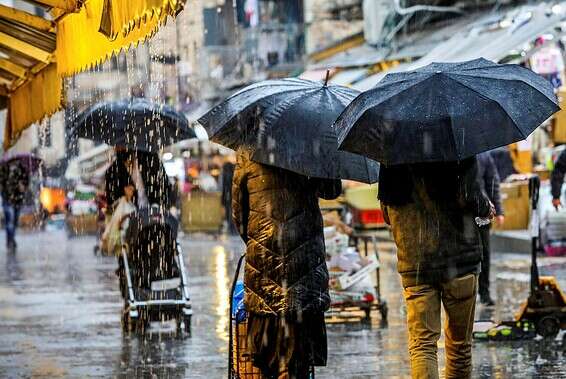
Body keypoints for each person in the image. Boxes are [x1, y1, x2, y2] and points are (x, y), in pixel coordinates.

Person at [379, 158, 494, 379]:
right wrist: (486, 207)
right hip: (460, 260)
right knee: (460, 347)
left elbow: (387, 213)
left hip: (417, 264)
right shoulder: (458, 147)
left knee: (423, 346)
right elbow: (472, 199)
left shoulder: (392, 156)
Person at [232, 147, 341, 379]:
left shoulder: (247, 151)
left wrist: (260, 243)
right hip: (304, 267)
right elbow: (331, 190)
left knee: (267, 359)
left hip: (264, 268)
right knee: (298, 361)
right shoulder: (310, 146)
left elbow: (238, 214)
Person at [476, 152, 504, 306]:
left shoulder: (483, 155)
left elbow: (492, 182)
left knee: (484, 254)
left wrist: (498, 210)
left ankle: (484, 292)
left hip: (482, 213)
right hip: (459, 216)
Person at [0, 162, 30, 250]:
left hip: (17, 200)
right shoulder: (4, 168)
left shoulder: (22, 168)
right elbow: (1, 182)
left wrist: (23, 186)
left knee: (15, 222)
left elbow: (26, 181)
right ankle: (10, 241)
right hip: (7, 199)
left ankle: (11, 239)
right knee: (10, 221)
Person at [101, 184, 136, 255]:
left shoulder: (131, 204)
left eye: (132, 190)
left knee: (123, 250)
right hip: (121, 229)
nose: (131, 192)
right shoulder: (122, 200)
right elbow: (117, 214)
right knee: (121, 250)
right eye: (129, 189)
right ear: (125, 189)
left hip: (128, 229)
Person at [220, 157, 237, 234]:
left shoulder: (226, 174)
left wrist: (223, 199)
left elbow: (225, 187)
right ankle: (234, 228)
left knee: (229, 211)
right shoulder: (235, 173)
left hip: (229, 196)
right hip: (235, 196)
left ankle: (231, 227)